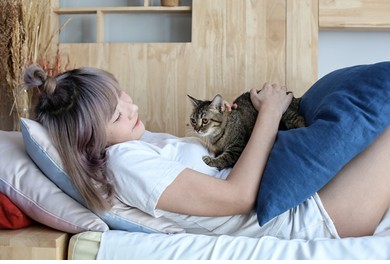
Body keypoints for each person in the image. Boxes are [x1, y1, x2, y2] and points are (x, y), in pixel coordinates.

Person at [23, 64, 390, 239]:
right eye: (118, 114)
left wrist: (239, 123)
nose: (133, 109)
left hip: (303, 192)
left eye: (123, 96)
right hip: (310, 217)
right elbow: (239, 197)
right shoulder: (125, 163)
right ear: (88, 140)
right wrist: (270, 112)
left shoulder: (137, 143)